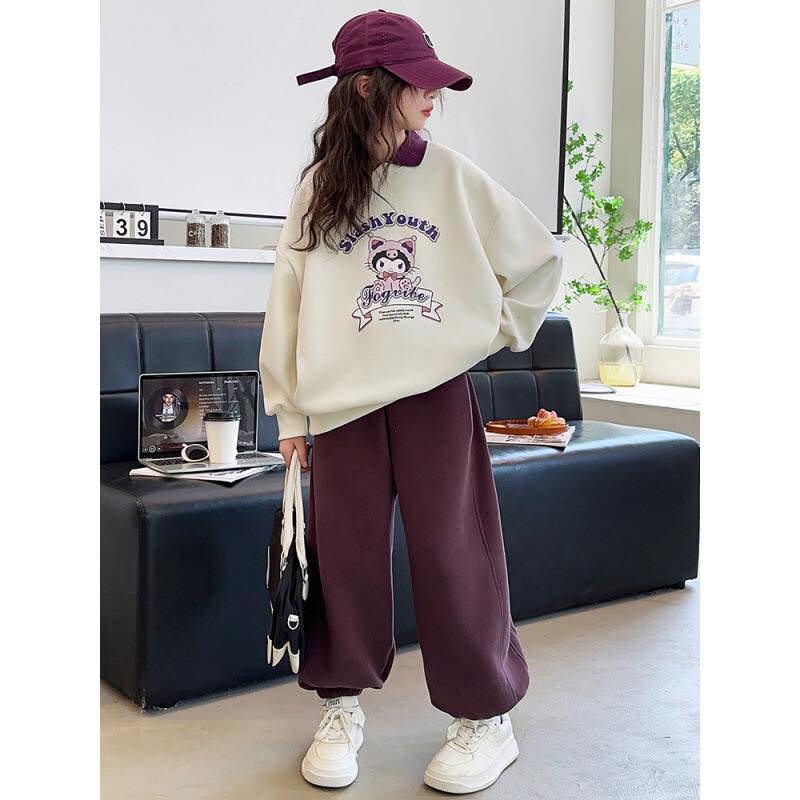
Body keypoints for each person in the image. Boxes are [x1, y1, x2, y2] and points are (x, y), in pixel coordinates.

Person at [258, 9, 563, 794]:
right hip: (343, 407)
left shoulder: (452, 176)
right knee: (343, 562)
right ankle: (339, 707)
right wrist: (289, 412)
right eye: (419, 82)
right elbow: (287, 302)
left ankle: (485, 716)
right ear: (367, 87)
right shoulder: (319, 189)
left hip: (434, 398)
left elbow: (538, 262)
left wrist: (483, 333)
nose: (435, 96)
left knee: (456, 556)